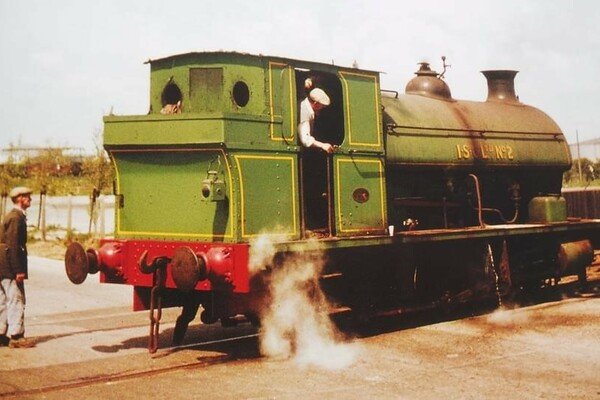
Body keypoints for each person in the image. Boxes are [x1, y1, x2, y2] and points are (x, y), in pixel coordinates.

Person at [0, 186, 35, 348]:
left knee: (2, 300)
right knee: (16, 299)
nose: (30, 199)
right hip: (10, 268)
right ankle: (16, 336)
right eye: (27, 197)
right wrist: (18, 270)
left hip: (2, 267)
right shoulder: (16, 218)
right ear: (20, 198)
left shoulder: (10, 216)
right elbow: (13, 246)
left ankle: (1, 335)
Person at [298, 87, 335, 154]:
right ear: (315, 104)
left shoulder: (305, 105)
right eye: (322, 106)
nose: (322, 108)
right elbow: (305, 139)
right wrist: (322, 145)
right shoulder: (305, 111)